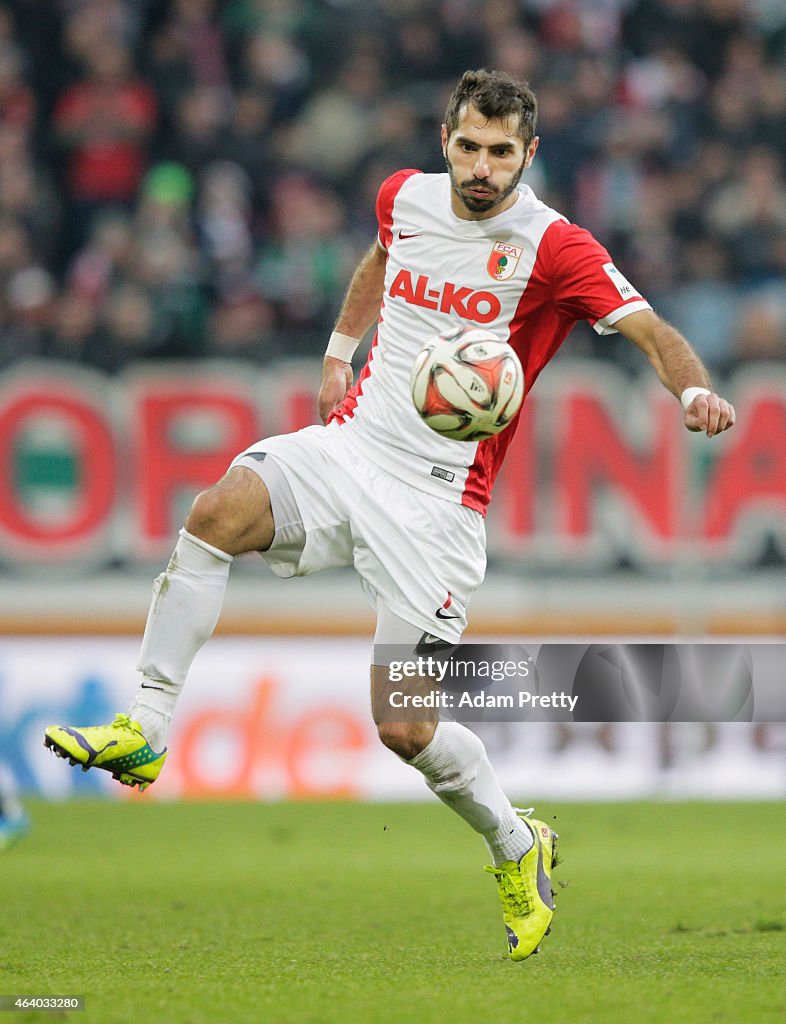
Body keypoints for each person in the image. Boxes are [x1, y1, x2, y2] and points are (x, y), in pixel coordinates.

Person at [44, 69, 735, 961]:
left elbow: (652, 330)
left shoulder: (556, 248)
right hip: (352, 450)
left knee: (403, 725)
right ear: (444, 138)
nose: (481, 169)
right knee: (215, 513)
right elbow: (381, 257)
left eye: (501, 154)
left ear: (530, 155)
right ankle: (145, 728)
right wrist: (340, 352)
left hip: (439, 505)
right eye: (468, 147)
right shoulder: (403, 196)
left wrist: (694, 390)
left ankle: (517, 844)